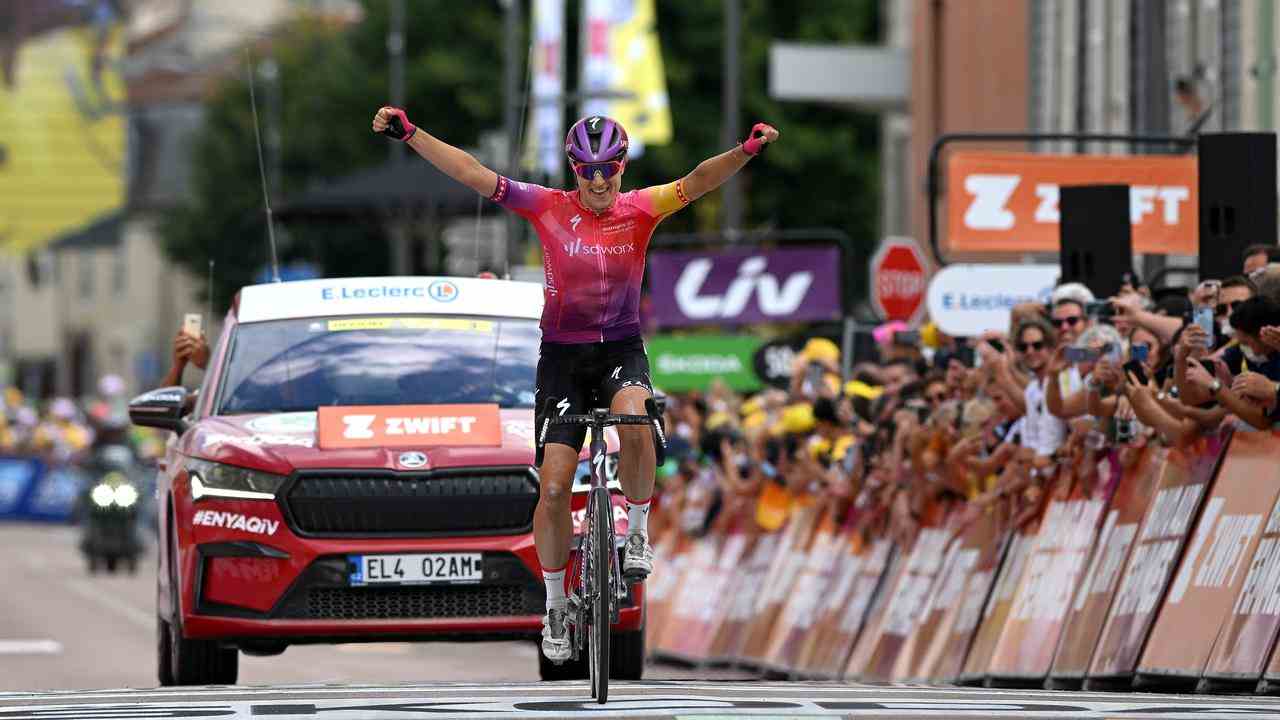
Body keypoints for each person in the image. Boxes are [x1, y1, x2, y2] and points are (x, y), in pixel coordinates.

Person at [372, 106, 779, 663]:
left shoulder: (641, 208)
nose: (597, 181)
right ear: (572, 169)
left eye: (607, 169)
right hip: (562, 358)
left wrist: (746, 150)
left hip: (619, 349)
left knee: (635, 415)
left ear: (621, 167)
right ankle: (558, 602)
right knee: (557, 486)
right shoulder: (546, 206)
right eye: (586, 171)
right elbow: (472, 172)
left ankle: (636, 532)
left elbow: (699, 181)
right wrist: (413, 134)